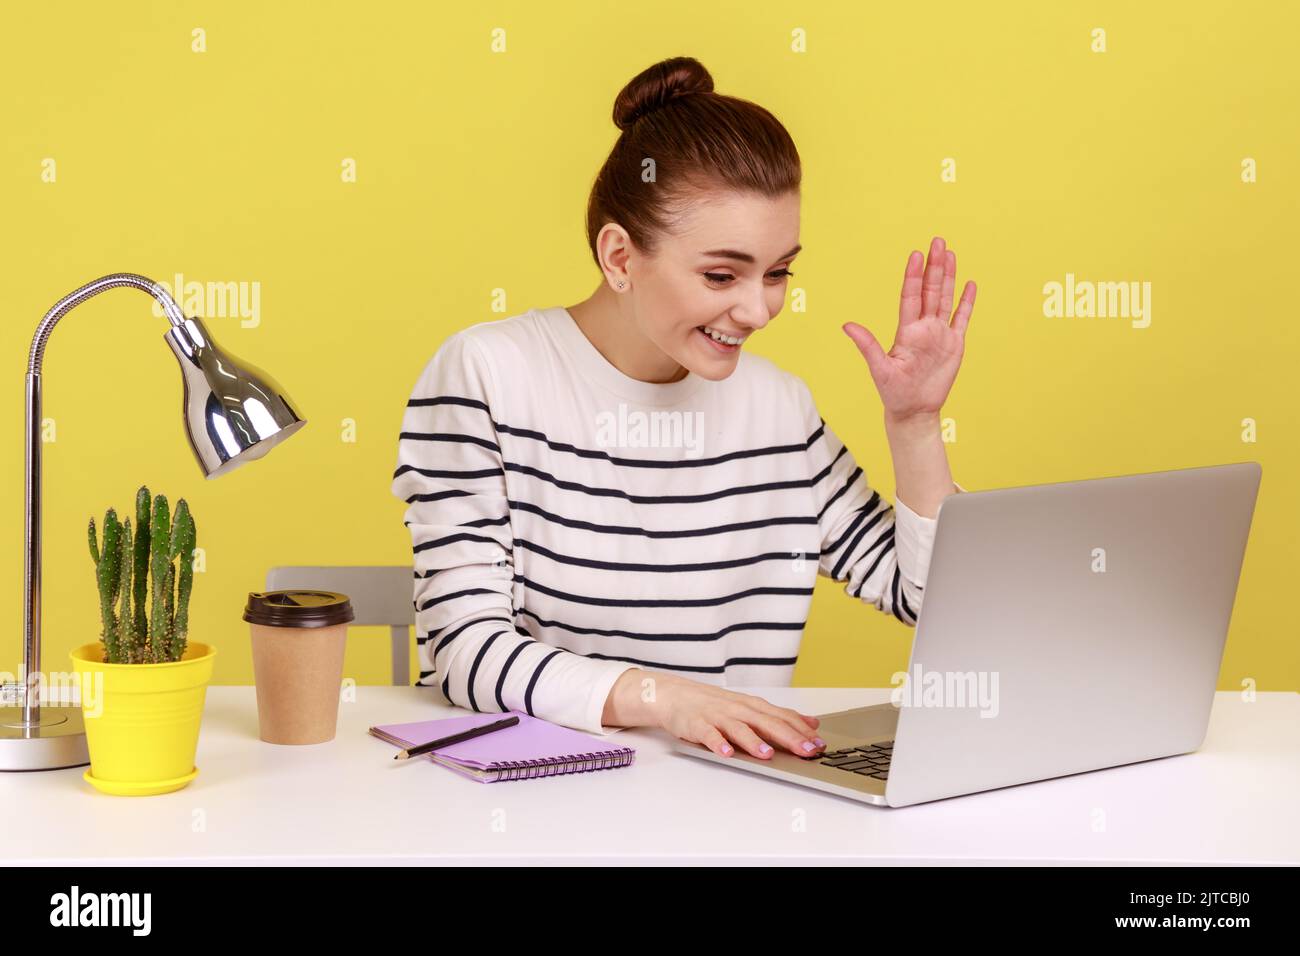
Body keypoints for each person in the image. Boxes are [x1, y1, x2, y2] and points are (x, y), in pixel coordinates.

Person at [390, 55, 976, 763]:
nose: (758, 308)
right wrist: (664, 699)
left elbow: (926, 598)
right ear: (619, 256)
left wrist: (913, 425)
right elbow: (465, 653)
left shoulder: (777, 409)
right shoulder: (489, 374)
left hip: (735, 795)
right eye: (721, 274)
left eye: (779, 271)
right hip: (541, 800)